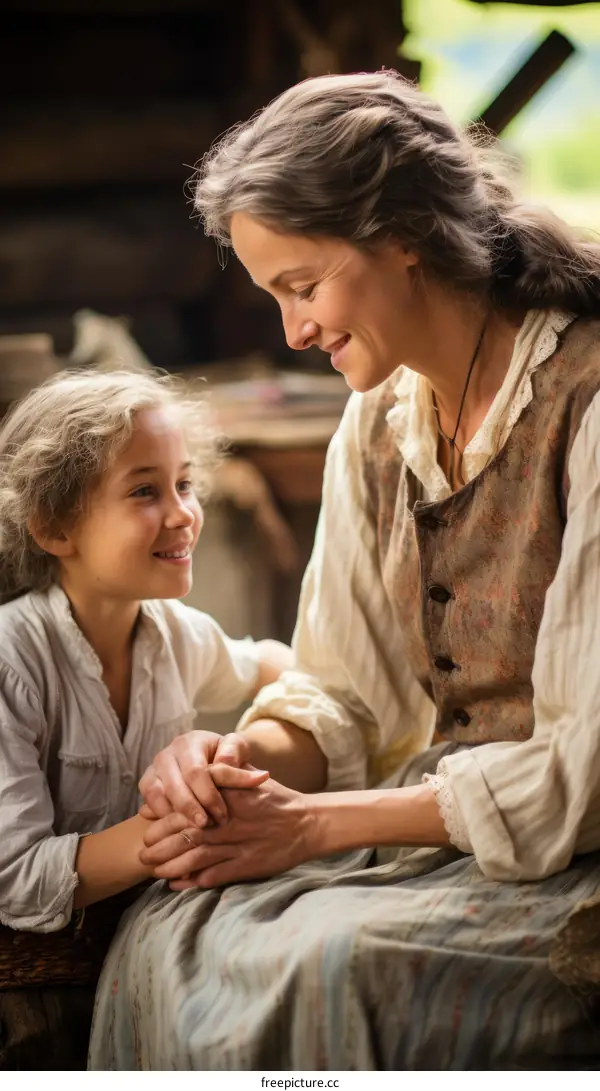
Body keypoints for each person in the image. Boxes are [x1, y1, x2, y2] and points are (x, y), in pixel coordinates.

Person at [89, 71, 600, 1070]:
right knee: (165, 925)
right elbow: (343, 691)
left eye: (303, 284)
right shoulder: (380, 419)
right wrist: (234, 771)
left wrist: (312, 827)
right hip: (439, 822)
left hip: (574, 851)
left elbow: (587, 767)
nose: (294, 332)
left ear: (405, 233)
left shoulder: (586, 401)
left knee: (333, 963)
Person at [0, 368, 292, 1069]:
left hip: (138, 949)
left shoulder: (174, 632)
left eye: (184, 484)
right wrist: (184, 819)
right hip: (29, 997)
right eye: (144, 491)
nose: (182, 513)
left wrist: (315, 698)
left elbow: (271, 663)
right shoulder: (13, 656)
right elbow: (13, 876)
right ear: (53, 526)